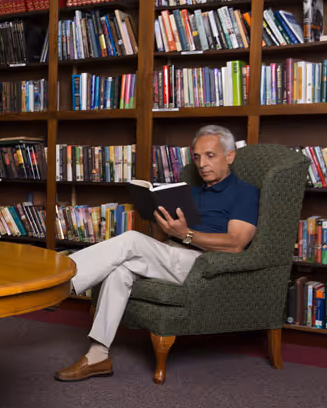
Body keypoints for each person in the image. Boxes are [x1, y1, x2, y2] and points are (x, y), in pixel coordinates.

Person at [54, 125, 260, 382]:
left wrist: (186, 234)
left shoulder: (245, 192)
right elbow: (161, 240)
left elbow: (236, 243)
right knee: (120, 269)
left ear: (229, 156)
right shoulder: (191, 192)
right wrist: (156, 217)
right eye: (196, 157)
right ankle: (98, 356)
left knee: (130, 240)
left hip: (206, 265)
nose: (202, 164)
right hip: (173, 255)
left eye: (210, 155)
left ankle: (57, 283)